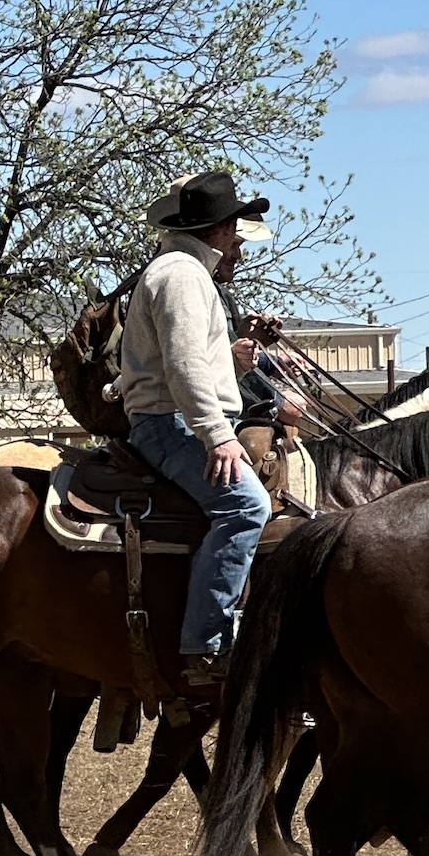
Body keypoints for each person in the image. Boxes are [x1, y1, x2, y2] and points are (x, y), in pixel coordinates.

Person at [115, 171, 275, 686]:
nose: (238, 243)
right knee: (247, 505)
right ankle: (208, 647)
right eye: (235, 230)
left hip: (171, 416)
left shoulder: (178, 271)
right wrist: (218, 435)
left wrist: (235, 366)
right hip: (171, 425)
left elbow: (187, 363)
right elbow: (183, 369)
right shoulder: (183, 276)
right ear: (222, 230)